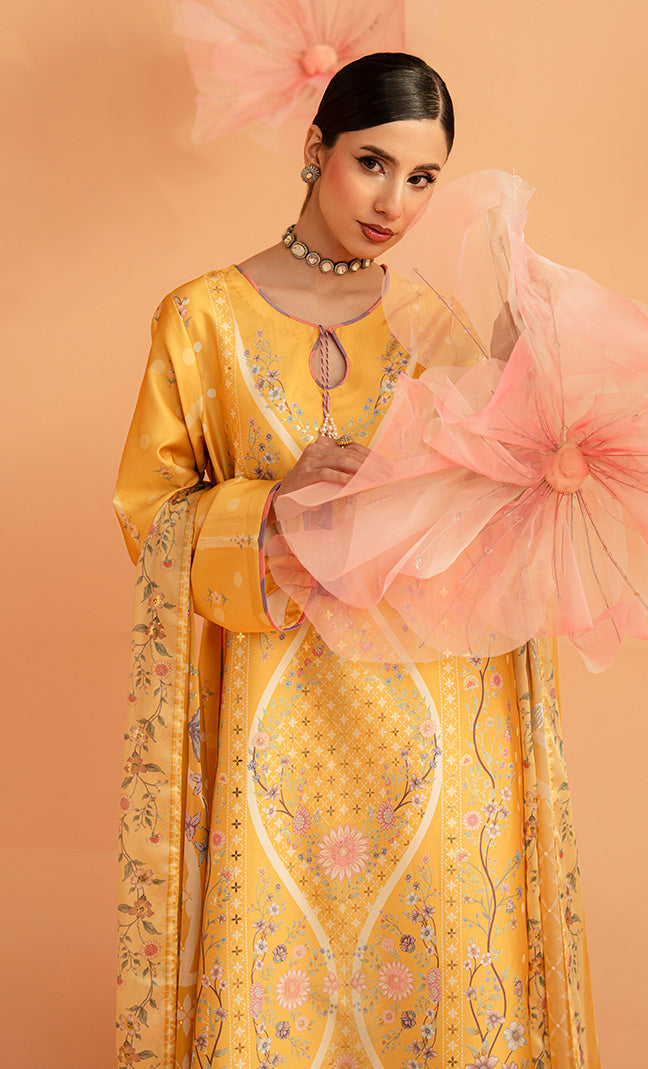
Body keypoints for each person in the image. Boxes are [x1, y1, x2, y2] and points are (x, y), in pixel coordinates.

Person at [114, 52, 600, 1069]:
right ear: (315, 148)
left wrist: (516, 390)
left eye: (421, 178)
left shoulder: (432, 325)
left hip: (430, 718)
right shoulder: (201, 319)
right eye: (371, 164)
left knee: (432, 965)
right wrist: (270, 504)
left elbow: (481, 527)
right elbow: (150, 515)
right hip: (274, 730)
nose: (393, 204)